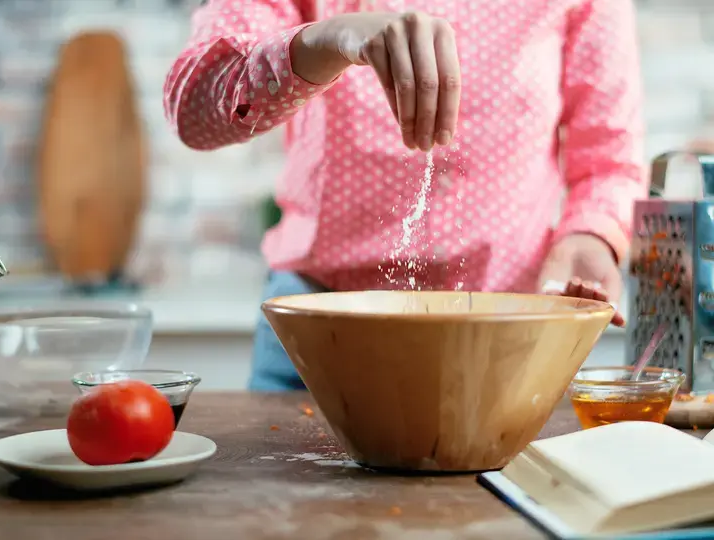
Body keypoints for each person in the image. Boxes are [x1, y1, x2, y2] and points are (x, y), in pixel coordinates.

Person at [165, 0, 646, 391]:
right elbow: (193, 107)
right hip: (318, 337)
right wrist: (329, 38)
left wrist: (589, 239)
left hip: (504, 342)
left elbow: (609, 159)